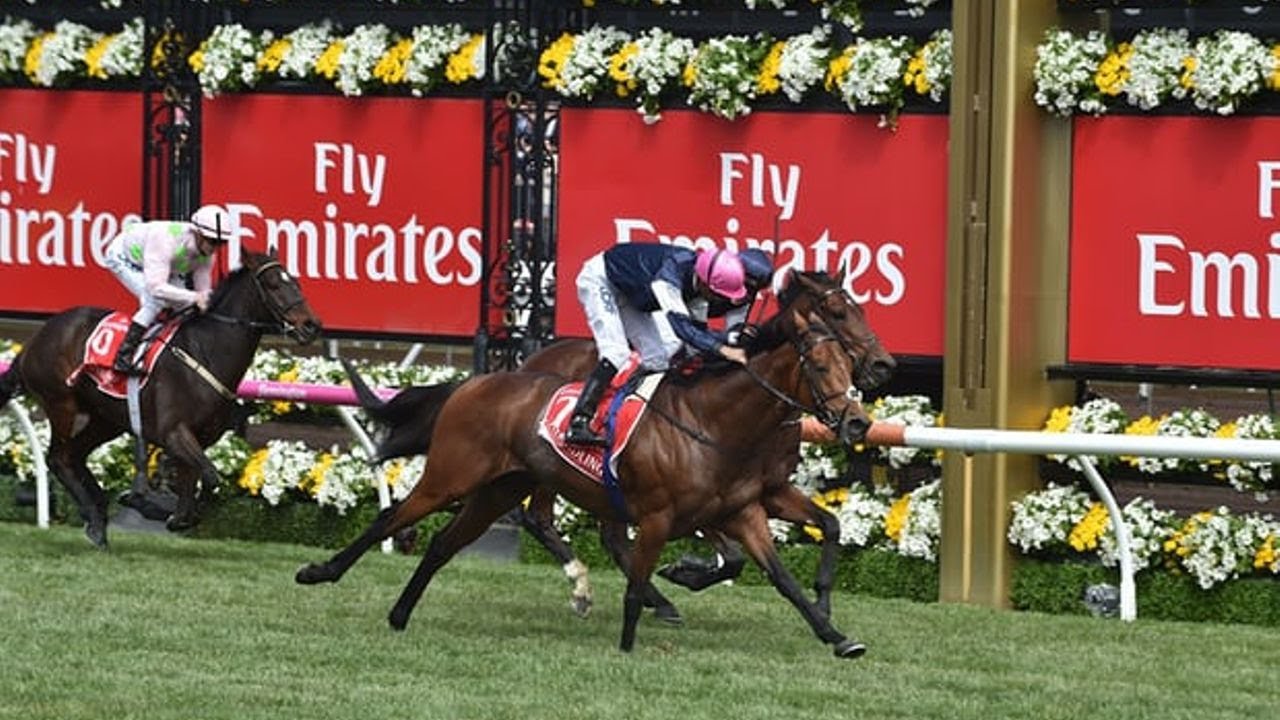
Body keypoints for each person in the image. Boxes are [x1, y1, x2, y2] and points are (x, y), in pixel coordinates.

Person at [565, 243, 754, 446]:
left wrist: (730, 340)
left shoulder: (698, 287)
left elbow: (696, 334)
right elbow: (681, 328)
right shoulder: (670, 276)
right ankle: (578, 422)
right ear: (706, 284)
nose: (722, 302)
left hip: (633, 296)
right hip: (602, 280)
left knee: (658, 360)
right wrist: (724, 349)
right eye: (720, 295)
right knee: (616, 352)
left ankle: (622, 413)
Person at [104, 204, 234, 375]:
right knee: (155, 301)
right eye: (212, 241)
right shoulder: (165, 239)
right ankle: (123, 357)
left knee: (183, 306)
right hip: (125, 258)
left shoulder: (207, 255)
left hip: (166, 264)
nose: (215, 247)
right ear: (197, 233)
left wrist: (203, 301)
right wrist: (195, 297)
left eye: (221, 243)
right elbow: (156, 288)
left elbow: (202, 293)